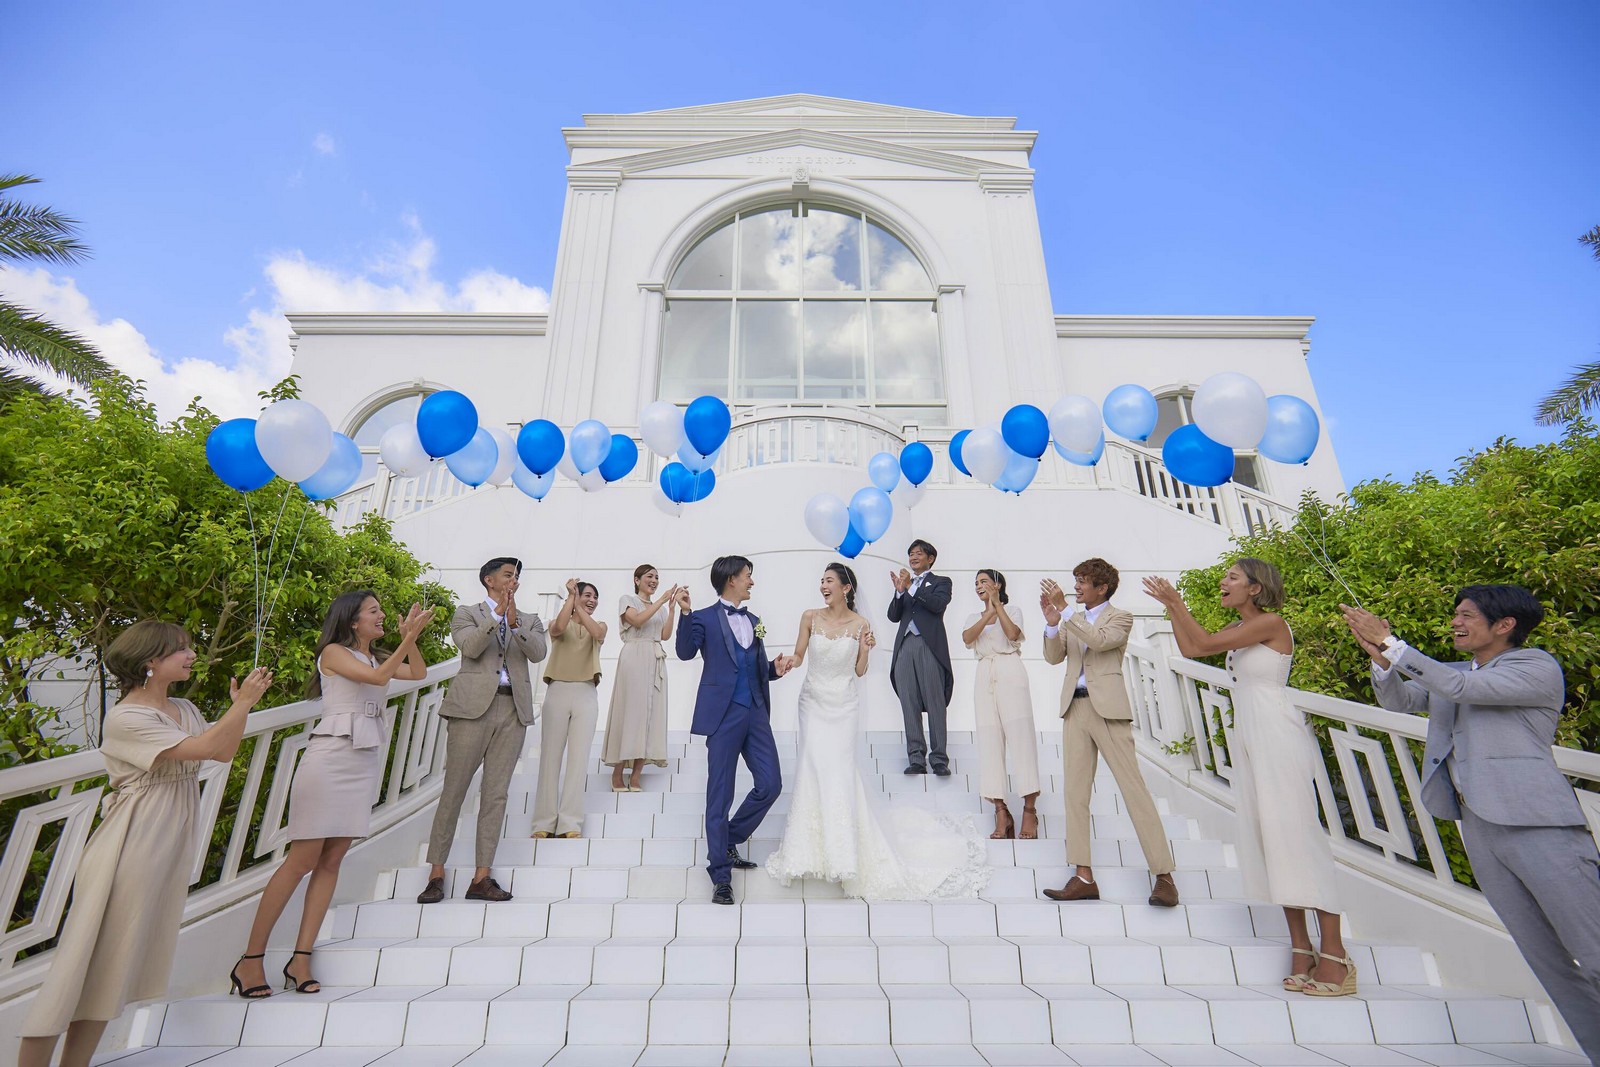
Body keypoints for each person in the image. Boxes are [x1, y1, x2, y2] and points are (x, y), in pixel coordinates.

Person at [1345, 588, 1600, 1054]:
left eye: (1466, 615)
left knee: (1595, 949)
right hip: (1478, 825)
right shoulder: (1457, 673)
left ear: (1504, 625)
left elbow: (1462, 691)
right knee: (1547, 960)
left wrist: (1394, 644)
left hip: (1539, 824)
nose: (1455, 622)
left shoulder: (1535, 666)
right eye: (1455, 614)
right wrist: (1382, 660)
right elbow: (1401, 703)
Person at [18, 624, 271, 1067]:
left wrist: (239, 710)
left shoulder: (185, 708)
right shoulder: (127, 717)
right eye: (180, 650)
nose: (191, 655)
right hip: (131, 841)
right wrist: (244, 703)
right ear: (149, 661)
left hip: (167, 837)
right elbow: (204, 746)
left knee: (110, 974)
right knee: (82, 963)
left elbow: (222, 751)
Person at [1145, 560, 1349, 994]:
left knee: (1298, 836)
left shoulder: (1271, 623)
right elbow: (1188, 649)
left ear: (1256, 589)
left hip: (1276, 731)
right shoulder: (1242, 630)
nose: (1223, 581)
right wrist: (1173, 608)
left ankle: (1336, 953)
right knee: (1270, 837)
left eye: (1233, 577)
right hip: (1251, 735)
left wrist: (1176, 602)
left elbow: (1199, 645)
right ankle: (1301, 948)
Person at [236, 592, 433, 996]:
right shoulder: (333, 652)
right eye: (374, 611)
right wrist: (407, 636)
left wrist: (408, 638)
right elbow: (380, 680)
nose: (381, 615)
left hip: (362, 761)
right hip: (329, 760)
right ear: (352, 620)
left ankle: (301, 958)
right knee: (301, 860)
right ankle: (250, 960)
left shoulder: (377, 657)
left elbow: (418, 673)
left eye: (381, 609)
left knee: (332, 860)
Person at [767, 563, 989, 899]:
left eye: (829, 581)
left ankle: (844, 852)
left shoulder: (861, 624)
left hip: (844, 704)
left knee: (840, 770)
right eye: (821, 581)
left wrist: (866, 649)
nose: (823, 586)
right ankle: (806, 849)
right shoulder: (809, 617)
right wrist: (787, 664)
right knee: (812, 766)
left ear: (846, 588)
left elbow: (859, 670)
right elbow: (800, 655)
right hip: (813, 701)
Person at [1041, 559, 1180, 909]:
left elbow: (1101, 643)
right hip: (1075, 708)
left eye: (1083, 582)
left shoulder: (1120, 617)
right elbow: (1054, 658)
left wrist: (1067, 610)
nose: (1076, 587)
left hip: (1109, 711)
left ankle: (1164, 877)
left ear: (1102, 588)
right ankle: (1083, 876)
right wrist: (1052, 625)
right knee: (1074, 794)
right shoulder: (1072, 617)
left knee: (1134, 790)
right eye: (1075, 581)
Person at [418, 557, 547, 905]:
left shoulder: (530, 619)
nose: (513, 579)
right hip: (471, 710)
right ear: (489, 580)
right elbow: (471, 648)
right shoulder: (467, 613)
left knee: (496, 794)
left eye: (517, 575)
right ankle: (436, 873)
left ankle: (481, 876)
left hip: (513, 708)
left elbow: (538, 653)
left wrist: (514, 620)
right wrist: (495, 617)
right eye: (507, 574)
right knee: (455, 789)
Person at [676, 555, 793, 904]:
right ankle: (720, 875)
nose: (751, 582)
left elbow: (755, 667)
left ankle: (727, 839)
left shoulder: (756, 621)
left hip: (755, 711)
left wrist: (775, 667)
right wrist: (684, 614)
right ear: (731, 580)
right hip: (723, 715)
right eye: (747, 576)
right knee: (720, 794)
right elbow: (684, 652)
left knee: (771, 784)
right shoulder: (703, 618)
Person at [962, 569, 1041, 840]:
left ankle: (1029, 810)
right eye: (976, 583)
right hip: (985, 674)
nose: (978, 586)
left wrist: (998, 606)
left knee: (1021, 738)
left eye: (984, 581)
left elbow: (1012, 634)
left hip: (1010, 669)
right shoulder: (975, 618)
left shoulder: (1014, 610)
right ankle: (1000, 811)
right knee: (989, 741)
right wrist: (987, 612)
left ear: (997, 584)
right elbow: (967, 638)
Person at [531, 579, 607, 839]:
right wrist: (570, 600)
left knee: (578, 760)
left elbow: (597, 633)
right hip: (558, 690)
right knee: (550, 757)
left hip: (586, 692)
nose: (592, 600)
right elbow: (559, 627)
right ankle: (543, 821)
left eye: (595, 597)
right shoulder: (559, 623)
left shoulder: (599, 625)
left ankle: (570, 823)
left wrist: (579, 604)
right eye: (587, 595)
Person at [601, 564, 682, 792]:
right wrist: (661, 601)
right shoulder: (628, 599)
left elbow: (664, 635)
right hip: (634, 656)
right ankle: (617, 771)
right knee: (629, 712)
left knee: (650, 714)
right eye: (649, 576)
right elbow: (636, 621)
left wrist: (672, 609)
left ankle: (636, 774)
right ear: (637, 580)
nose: (654, 580)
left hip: (655, 658)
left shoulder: (661, 608)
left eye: (657, 577)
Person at [887, 538, 954, 776]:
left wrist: (911, 588)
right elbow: (893, 616)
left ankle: (939, 759)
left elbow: (937, 605)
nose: (913, 557)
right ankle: (916, 757)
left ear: (930, 559)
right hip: (905, 645)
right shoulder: (905, 585)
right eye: (911, 554)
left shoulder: (941, 582)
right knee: (909, 701)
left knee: (935, 701)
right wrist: (898, 592)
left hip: (929, 645)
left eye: (918, 553)